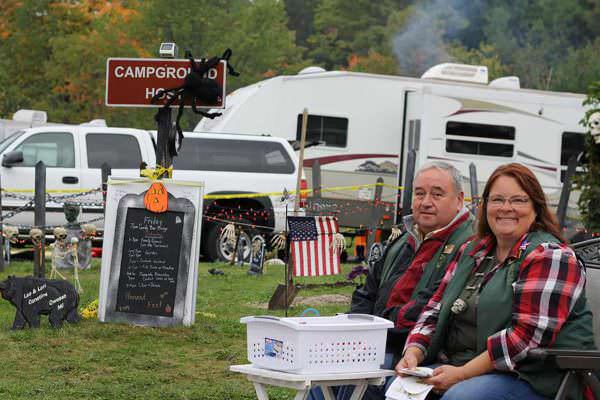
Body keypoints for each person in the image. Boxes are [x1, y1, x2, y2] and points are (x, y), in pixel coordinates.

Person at [396, 163, 595, 399]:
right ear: (485, 206)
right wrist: (414, 352)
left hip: (534, 379)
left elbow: (522, 339)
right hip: (463, 369)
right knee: (395, 386)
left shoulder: (550, 256)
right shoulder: (473, 251)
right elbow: (435, 310)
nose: (506, 208)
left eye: (518, 200)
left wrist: (461, 374)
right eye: (497, 200)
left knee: (461, 397)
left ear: (536, 208)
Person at [308, 161, 474, 400]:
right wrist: (358, 331)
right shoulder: (402, 240)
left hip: (420, 351)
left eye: (437, 194)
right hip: (376, 342)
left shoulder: (468, 246)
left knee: (364, 379)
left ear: (459, 199)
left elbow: (430, 310)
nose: (426, 202)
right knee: (321, 374)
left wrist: (376, 335)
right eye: (419, 193)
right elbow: (367, 292)